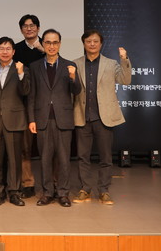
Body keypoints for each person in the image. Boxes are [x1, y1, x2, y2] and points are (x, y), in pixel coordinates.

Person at [72, 29, 132, 205]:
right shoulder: (75, 64)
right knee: (83, 157)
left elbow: (125, 80)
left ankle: (104, 190)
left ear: (101, 44)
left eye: (95, 41)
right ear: (84, 43)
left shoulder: (111, 64)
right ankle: (85, 189)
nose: (92, 44)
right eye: (88, 41)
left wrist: (124, 59)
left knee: (105, 158)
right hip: (82, 116)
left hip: (103, 117)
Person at [27, 29, 81, 207]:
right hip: (42, 118)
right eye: (48, 42)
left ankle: (63, 193)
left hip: (63, 118)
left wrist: (73, 77)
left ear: (60, 44)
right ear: (43, 44)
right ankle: (47, 192)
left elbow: (77, 91)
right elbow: (32, 95)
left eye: (55, 42)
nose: (51, 46)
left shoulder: (69, 65)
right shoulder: (35, 66)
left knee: (64, 159)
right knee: (45, 158)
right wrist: (31, 119)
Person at [0, 37, 30, 207]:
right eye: (1, 49)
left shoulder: (22, 69)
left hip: (14, 120)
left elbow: (26, 91)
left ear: (13, 51)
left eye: (8, 49)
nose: (5, 52)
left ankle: (14, 192)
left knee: (14, 160)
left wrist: (21, 74)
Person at [13, 14, 44, 199]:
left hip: (45, 104)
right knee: (24, 148)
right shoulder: (16, 49)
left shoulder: (47, 47)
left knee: (49, 148)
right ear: (21, 30)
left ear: (38, 28)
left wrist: (43, 50)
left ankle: (52, 184)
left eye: (32, 25)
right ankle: (27, 183)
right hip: (24, 105)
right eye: (25, 26)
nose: (29, 28)